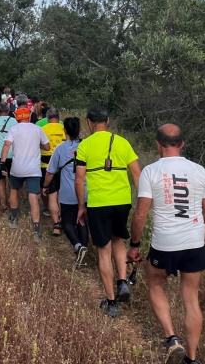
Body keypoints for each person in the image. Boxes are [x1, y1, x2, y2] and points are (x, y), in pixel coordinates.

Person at [128, 124, 205, 364]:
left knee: (156, 284)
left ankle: (171, 338)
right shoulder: (199, 171)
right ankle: (192, 357)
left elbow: (140, 214)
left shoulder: (151, 171)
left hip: (164, 244)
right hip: (193, 243)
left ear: (158, 144)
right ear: (182, 144)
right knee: (191, 299)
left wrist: (134, 245)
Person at [74, 106, 142, 318]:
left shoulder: (84, 146)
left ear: (89, 123)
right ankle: (122, 281)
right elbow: (138, 174)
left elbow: (78, 179)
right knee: (118, 239)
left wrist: (81, 207)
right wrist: (141, 202)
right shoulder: (123, 142)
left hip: (98, 202)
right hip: (122, 201)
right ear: (108, 121)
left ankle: (112, 302)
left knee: (103, 250)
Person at [0, 95, 50, 242]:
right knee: (33, 196)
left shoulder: (14, 129)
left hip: (17, 168)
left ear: (17, 117)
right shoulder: (37, 129)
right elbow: (47, 146)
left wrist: (2, 162)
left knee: (14, 189)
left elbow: (7, 145)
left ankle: (13, 218)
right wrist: (38, 145)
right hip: (34, 169)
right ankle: (36, 230)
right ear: (29, 117)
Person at [43, 117, 89, 267]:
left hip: (68, 191)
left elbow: (50, 172)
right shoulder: (86, 145)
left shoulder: (61, 148)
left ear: (65, 131)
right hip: (87, 190)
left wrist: (45, 186)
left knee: (68, 222)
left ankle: (78, 246)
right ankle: (84, 251)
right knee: (82, 221)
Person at [38, 108, 66, 231]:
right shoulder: (65, 129)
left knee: (51, 194)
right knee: (61, 193)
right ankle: (63, 218)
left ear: (47, 118)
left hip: (46, 165)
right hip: (63, 165)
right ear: (58, 118)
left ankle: (55, 223)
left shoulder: (42, 129)